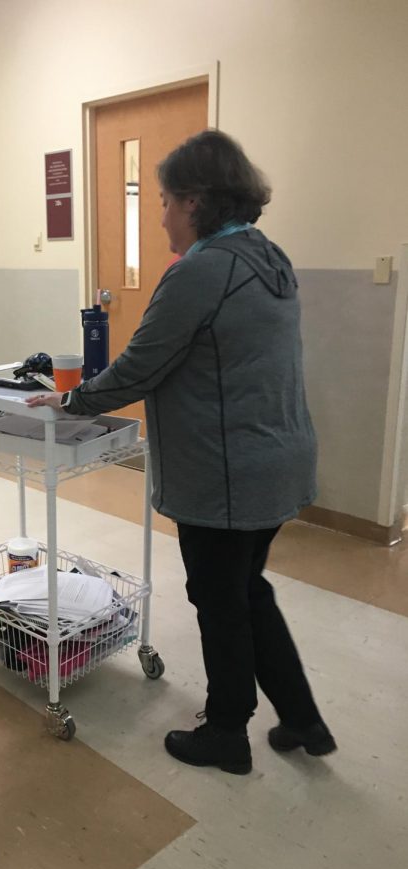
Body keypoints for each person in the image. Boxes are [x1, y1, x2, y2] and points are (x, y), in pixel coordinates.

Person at [26, 129, 336, 775]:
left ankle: (225, 732)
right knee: (246, 591)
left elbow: (140, 368)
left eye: (164, 200)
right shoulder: (265, 257)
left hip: (227, 474)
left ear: (195, 201)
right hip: (276, 460)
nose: (160, 215)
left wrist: (72, 401)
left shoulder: (201, 270)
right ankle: (302, 719)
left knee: (221, 601)